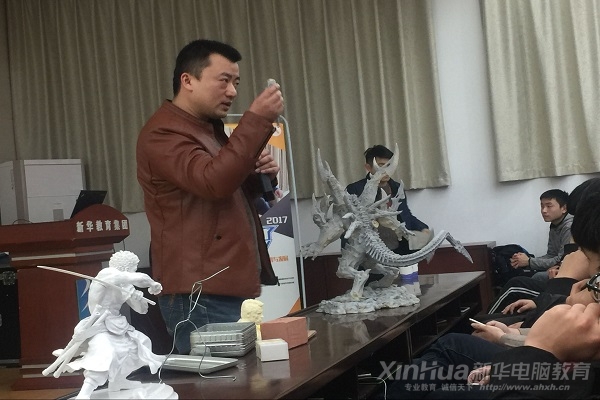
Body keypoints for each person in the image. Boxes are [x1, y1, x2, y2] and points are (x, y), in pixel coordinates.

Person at [137, 39, 283, 354]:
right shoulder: (164, 133)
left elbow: (222, 194)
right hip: (199, 292)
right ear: (187, 80)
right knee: (218, 378)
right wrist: (257, 120)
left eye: (236, 83)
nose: (232, 91)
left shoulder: (206, 130)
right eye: (224, 80)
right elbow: (212, 182)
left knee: (239, 377)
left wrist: (258, 177)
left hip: (219, 285)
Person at [42, 251, 167, 399]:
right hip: (100, 323)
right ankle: (84, 394)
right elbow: (139, 278)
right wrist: (152, 284)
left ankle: (118, 381)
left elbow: (141, 310)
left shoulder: (125, 284)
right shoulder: (107, 274)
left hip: (118, 324)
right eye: (134, 268)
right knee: (104, 355)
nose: (135, 271)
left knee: (139, 346)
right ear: (126, 267)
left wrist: (138, 298)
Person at [344, 145, 430, 255]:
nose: (387, 170)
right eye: (381, 165)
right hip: (370, 251)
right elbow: (349, 224)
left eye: (389, 165)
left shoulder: (397, 187)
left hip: (399, 249)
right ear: (368, 167)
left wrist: (422, 228)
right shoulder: (354, 189)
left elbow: (406, 215)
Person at [510, 189, 572, 281]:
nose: (544, 210)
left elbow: (562, 259)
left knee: (537, 277)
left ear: (564, 208)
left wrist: (529, 262)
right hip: (559, 266)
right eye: (542, 206)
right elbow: (551, 255)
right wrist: (525, 260)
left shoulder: (569, 227)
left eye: (549, 206)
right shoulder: (555, 224)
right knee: (519, 272)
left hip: (569, 269)